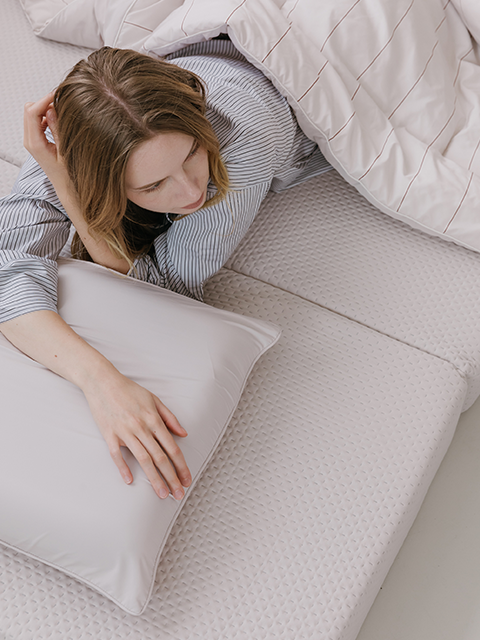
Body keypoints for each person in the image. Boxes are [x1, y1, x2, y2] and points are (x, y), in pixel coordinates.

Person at [0, 38, 330, 500]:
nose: (192, 191)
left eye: (192, 153)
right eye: (154, 185)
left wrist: (67, 190)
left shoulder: (244, 139)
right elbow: (9, 268)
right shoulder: (84, 140)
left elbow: (168, 287)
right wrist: (101, 382)